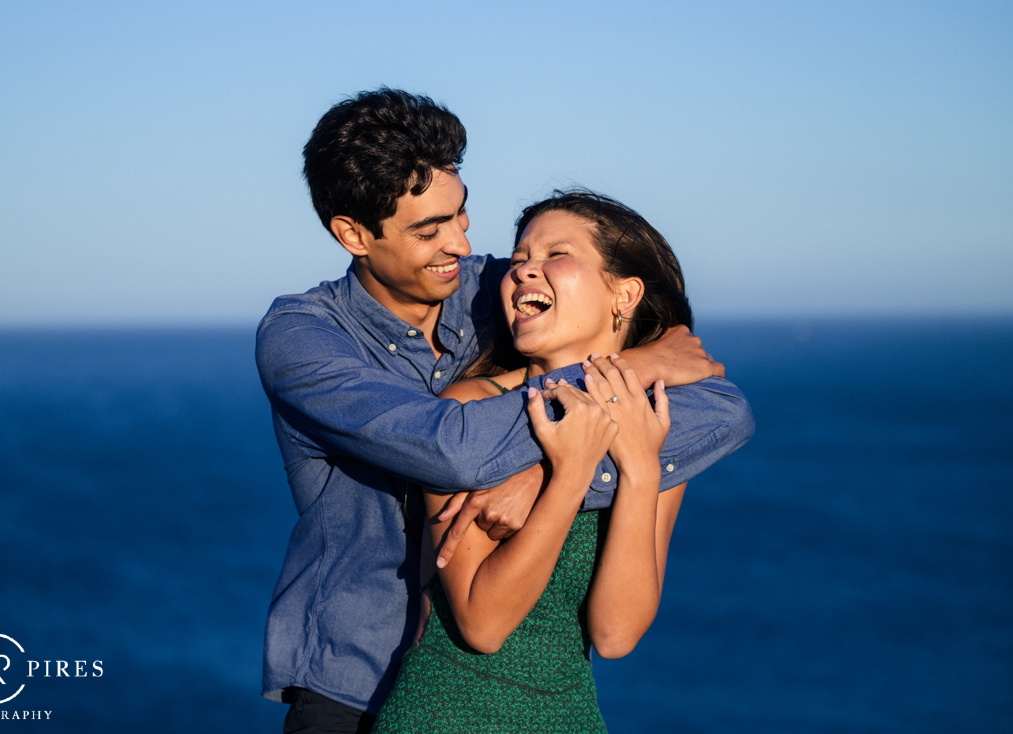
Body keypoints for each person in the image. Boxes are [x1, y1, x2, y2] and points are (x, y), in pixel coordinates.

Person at [257, 89, 755, 732]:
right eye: (429, 230)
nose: (461, 246)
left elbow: (721, 411)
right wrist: (631, 375)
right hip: (351, 688)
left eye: (461, 215)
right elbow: (450, 447)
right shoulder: (303, 338)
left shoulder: (500, 290)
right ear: (354, 233)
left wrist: (542, 475)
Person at [375, 192, 694, 734]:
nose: (525, 271)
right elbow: (482, 623)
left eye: (555, 254)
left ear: (625, 293)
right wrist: (568, 474)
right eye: (520, 258)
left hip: (569, 716)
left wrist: (640, 471)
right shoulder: (468, 412)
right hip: (448, 713)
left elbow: (615, 636)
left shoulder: (656, 425)